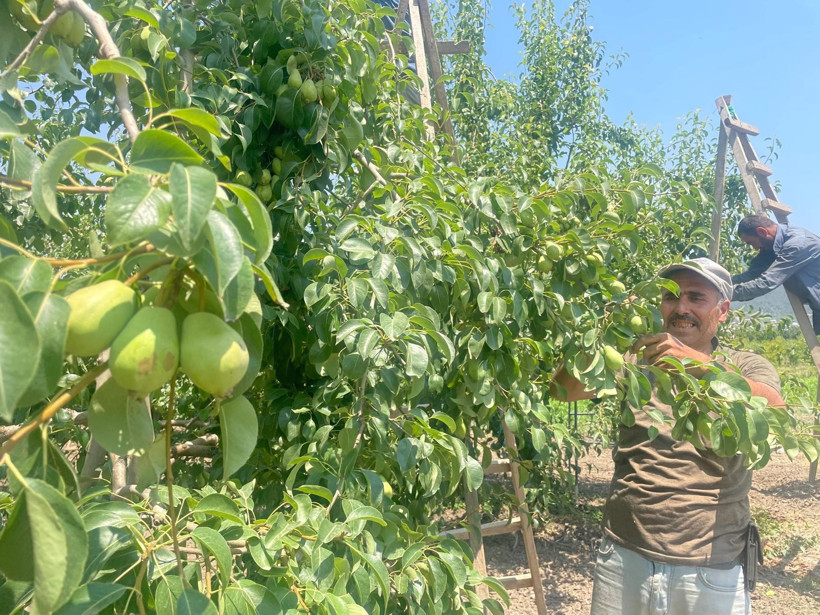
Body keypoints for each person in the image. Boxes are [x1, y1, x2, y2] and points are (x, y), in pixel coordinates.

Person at [551, 257, 784, 615]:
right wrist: (599, 334)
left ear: (722, 311)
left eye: (696, 297)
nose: (681, 308)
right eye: (671, 296)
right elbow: (563, 391)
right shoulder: (635, 359)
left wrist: (696, 363)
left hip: (710, 566)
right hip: (624, 557)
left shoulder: (744, 365)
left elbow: (775, 409)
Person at [732, 214, 820, 333]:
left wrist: (722, 293)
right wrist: (717, 281)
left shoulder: (797, 245)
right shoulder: (772, 245)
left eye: (751, 243)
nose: (755, 248)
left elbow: (766, 282)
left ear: (762, 232)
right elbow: (752, 275)